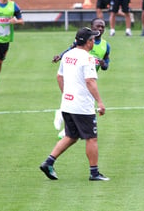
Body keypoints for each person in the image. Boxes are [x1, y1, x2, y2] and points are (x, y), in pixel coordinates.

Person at [40, 27, 109, 181]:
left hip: (67, 103)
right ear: (88, 42)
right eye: (92, 39)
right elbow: (90, 81)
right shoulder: (88, 58)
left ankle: (48, 162)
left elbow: (59, 77)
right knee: (91, 138)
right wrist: (100, 101)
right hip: (82, 106)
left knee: (71, 136)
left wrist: (66, 94)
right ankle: (94, 173)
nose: (93, 41)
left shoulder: (67, 56)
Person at [52, 18, 111, 139]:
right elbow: (71, 50)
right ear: (92, 27)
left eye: (102, 27)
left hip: (89, 75)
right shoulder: (84, 42)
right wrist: (60, 56)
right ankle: (65, 124)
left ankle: (64, 121)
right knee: (81, 103)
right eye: (97, 27)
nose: (100, 29)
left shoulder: (106, 45)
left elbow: (106, 64)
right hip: (80, 76)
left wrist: (103, 64)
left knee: (82, 103)